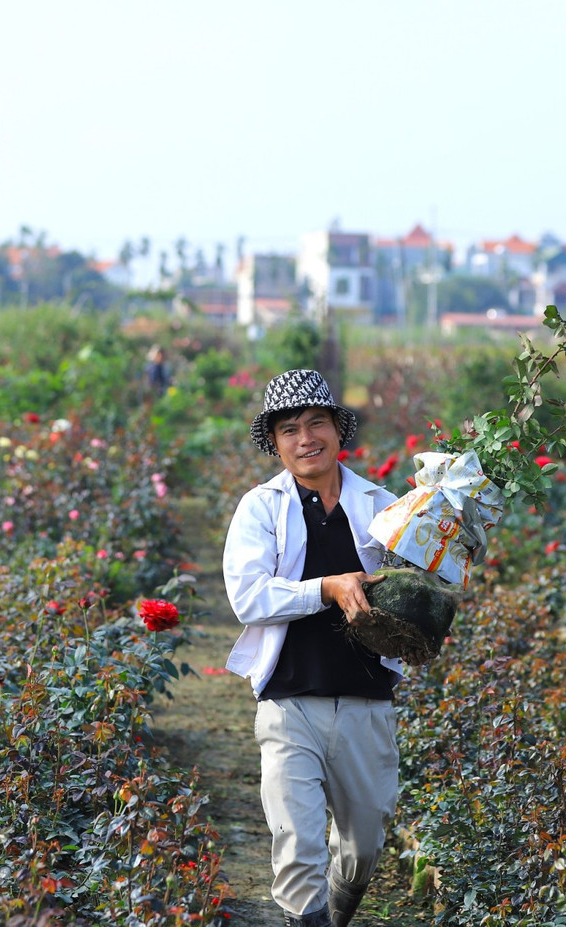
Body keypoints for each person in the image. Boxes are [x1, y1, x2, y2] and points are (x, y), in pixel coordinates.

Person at [223, 368, 403, 927]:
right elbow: (249, 597)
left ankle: (338, 911)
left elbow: (420, 582)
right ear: (275, 444)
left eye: (316, 423)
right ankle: (309, 918)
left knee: (365, 841)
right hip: (289, 700)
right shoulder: (261, 508)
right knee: (298, 842)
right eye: (290, 429)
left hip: (365, 698)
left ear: (337, 430)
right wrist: (327, 587)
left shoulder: (383, 506)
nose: (306, 439)